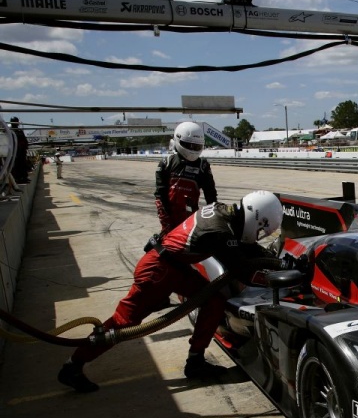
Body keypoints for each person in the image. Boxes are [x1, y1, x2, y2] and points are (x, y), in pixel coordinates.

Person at [58, 190, 286, 393]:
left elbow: (248, 247)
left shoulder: (225, 214)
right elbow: (243, 270)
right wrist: (283, 274)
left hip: (172, 267)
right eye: (261, 229)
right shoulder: (220, 230)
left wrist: (278, 260)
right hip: (158, 271)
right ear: (257, 217)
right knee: (121, 324)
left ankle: (195, 361)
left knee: (214, 300)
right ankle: (73, 365)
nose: (259, 235)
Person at [155, 121, 217, 235]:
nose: (193, 149)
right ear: (178, 140)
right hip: (169, 217)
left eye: (197, 146)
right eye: (189, 145)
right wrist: (166, 221)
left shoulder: (203, 166)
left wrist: (213, 219)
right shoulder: (166, 163)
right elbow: (160, 195)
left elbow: (211, 196)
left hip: (191, 217)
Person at [10, 117, 30, 184]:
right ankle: (17, 179)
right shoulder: (10, 131)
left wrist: (25, 146)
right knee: (16, 165)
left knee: (23, 164)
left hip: (21, 151)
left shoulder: (19, 131)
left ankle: (24, 178)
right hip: (14, 152)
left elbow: (24, 140)